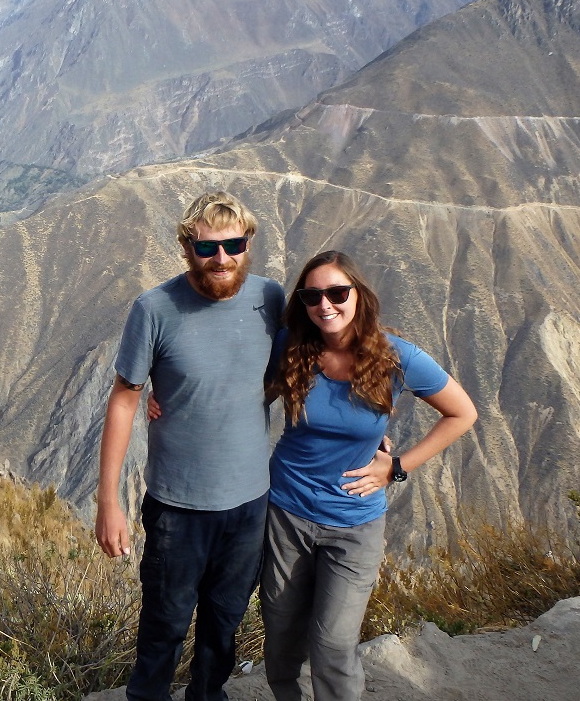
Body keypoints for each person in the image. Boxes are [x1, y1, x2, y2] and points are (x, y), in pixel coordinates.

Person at [261, 249, 478, 701]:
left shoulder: (397, 357)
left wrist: (396, 466)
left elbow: (462, 413)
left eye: (337, 293)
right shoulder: (291, 348)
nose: (325, 305)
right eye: (312, 295)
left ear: (358, 295)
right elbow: (236, 388)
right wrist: (160, 394)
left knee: (333, 644)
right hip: (285, 512)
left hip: (354, 523)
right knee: (281, 635)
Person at [96, 190, 285, 701]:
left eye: (233, 244)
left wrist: (369, 416)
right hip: (177, 509)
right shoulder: (154, 309)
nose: (221, 258)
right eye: (207, 248)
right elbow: (123, 400)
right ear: (187, 249)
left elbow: (298, 371)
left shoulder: (271, 299)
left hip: (249, 504)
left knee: (223, 626)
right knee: (164, 626)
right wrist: (108, 502)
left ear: (248, 244)